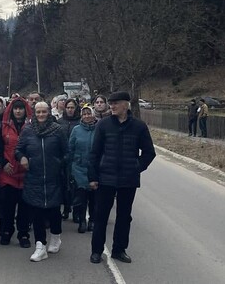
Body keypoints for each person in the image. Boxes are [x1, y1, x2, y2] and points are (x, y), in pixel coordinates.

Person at [88, 91, 156, 265]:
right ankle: (96, 251)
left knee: (124, 216)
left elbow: (149, 152)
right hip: (106, 178)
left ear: (126, 105)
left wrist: (136, 167)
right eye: (110, 103)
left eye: (116, 103)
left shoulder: (139, 127)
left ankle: (119, 250)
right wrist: (93, 176)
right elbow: (94, 153)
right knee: (101, 215)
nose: (112, 106)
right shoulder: (103, 125)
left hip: (128, 179)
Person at [15, 102, 67, 262]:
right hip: (34, 178)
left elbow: (67, 152)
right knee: (37, 212)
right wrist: (22, 157)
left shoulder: (58, 130)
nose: (41, 114)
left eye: (44, 111)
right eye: (38, 112)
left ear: (49, 112)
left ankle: (56, 237)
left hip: (53, 178)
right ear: (34, 113)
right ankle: (40, 246)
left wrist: (58, 163)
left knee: (53, 212)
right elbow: (18, 149)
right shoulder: (28, 130)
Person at [0, 97, 33, 248]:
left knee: (24, 208)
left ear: (25, 110)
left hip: (25, 174)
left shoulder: (31, 127)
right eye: (15, 108)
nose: (18, 111)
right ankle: (6, 231)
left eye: (21, 108)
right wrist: (3, 164)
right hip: (8, 174)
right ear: (11, 110)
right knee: (7, 207)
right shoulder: (3, 127)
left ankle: (23, 234)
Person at [69, 105, 97, 233]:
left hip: (95, 169)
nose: (87, 116)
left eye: (89, 114)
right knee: (81, 197)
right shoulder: (76, 130)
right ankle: (81, 221)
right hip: (79, 168)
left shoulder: (99, 129)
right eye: (84, 114)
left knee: (94, 198)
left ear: (93, 115)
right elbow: (70, 148)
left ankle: (92, 220)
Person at [58, 98, 81, 221]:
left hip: (76, 158)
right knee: (63, 184)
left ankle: (77, 211)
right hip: (62, 158)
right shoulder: (59, 122)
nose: (70, 110)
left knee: (76, 186)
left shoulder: (79, 122)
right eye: (68, 107)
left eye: (72, 107)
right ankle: (66, 208)